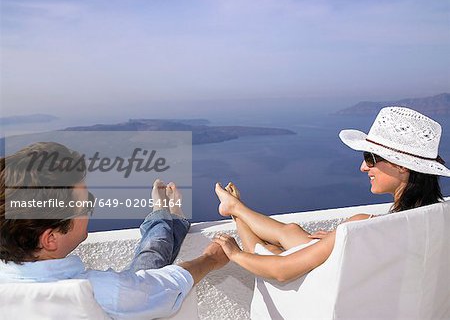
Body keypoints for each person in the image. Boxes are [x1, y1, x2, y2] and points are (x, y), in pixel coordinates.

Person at [212, 106, 449, 282]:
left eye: (370, 158)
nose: (363, 167)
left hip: (323, 293)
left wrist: (235, 254)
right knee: (294, 233)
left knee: (272, 251)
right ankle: (236, 209)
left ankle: (236, 212)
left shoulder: (366, 226)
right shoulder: (437, 217)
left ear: (401, 166)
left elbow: (280, 271)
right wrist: (340, 237)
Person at [0, 142, 228, 319]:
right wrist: (211, 258)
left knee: (137, 280)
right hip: (129, 296)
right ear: (50, 239)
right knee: (143, 282)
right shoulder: (96, 292)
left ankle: (165, 219)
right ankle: (167, 218)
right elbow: (166, 286)